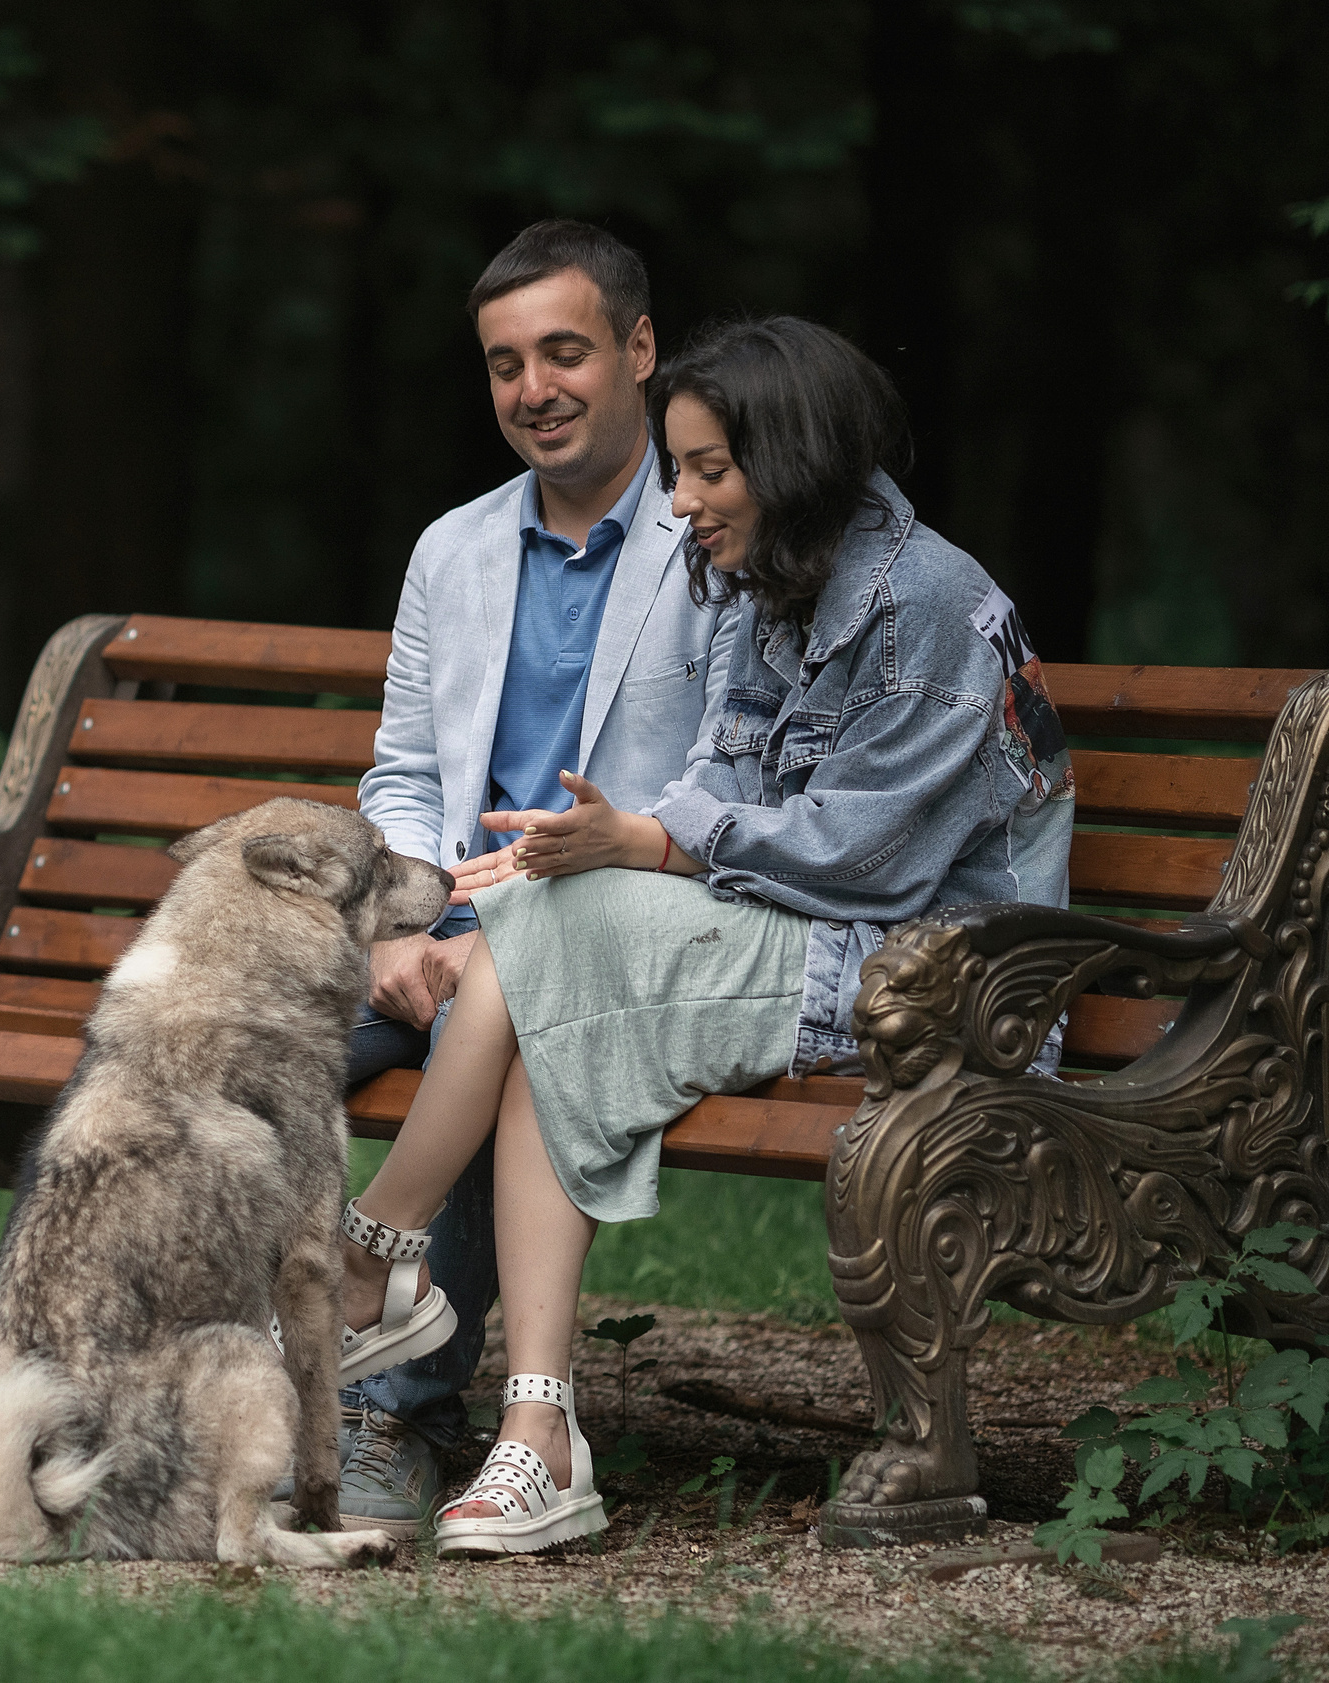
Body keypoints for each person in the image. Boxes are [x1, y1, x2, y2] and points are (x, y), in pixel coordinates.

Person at [335, 314, 1075, 1556]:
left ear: (785, 459)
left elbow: (861, 855)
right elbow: (722, 763)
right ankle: (528, 1431)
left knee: (552, 931)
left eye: (704, 469)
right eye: (677, 470)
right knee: (551, 931)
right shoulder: (757, 573)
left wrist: (653, 847)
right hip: (801, 931)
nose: (677, 502)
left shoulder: (929, 602)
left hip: (934, 974)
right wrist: (618, 838)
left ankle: (385, 1267)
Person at [328, 220, 742, 1534]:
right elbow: (398, 764)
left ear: (638, 349)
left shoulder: (715, 534)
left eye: (564, 352)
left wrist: (529, 898)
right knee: (201, 1031)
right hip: (440, 917)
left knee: (492, 1014)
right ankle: (72, 1374)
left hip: (624, 919)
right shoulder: (453, 548)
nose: (534, 388)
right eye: (506, 363)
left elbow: (742, 764)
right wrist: (402, 903)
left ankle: (395, 1412)